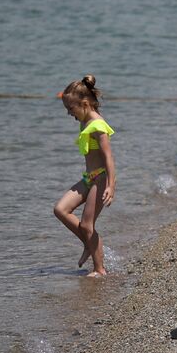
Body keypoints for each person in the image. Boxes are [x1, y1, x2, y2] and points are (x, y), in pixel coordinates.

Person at [53, 75, 114, 277]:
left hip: (101, 178)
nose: (69, 113)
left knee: (88, 224)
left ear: (85, 104)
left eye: (71, 109)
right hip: (89, 177)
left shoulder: (97, 126)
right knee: (61, 209)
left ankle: (99, 269)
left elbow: (108, 157)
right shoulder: (85, 122)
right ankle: (88, 243)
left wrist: (110, 186)